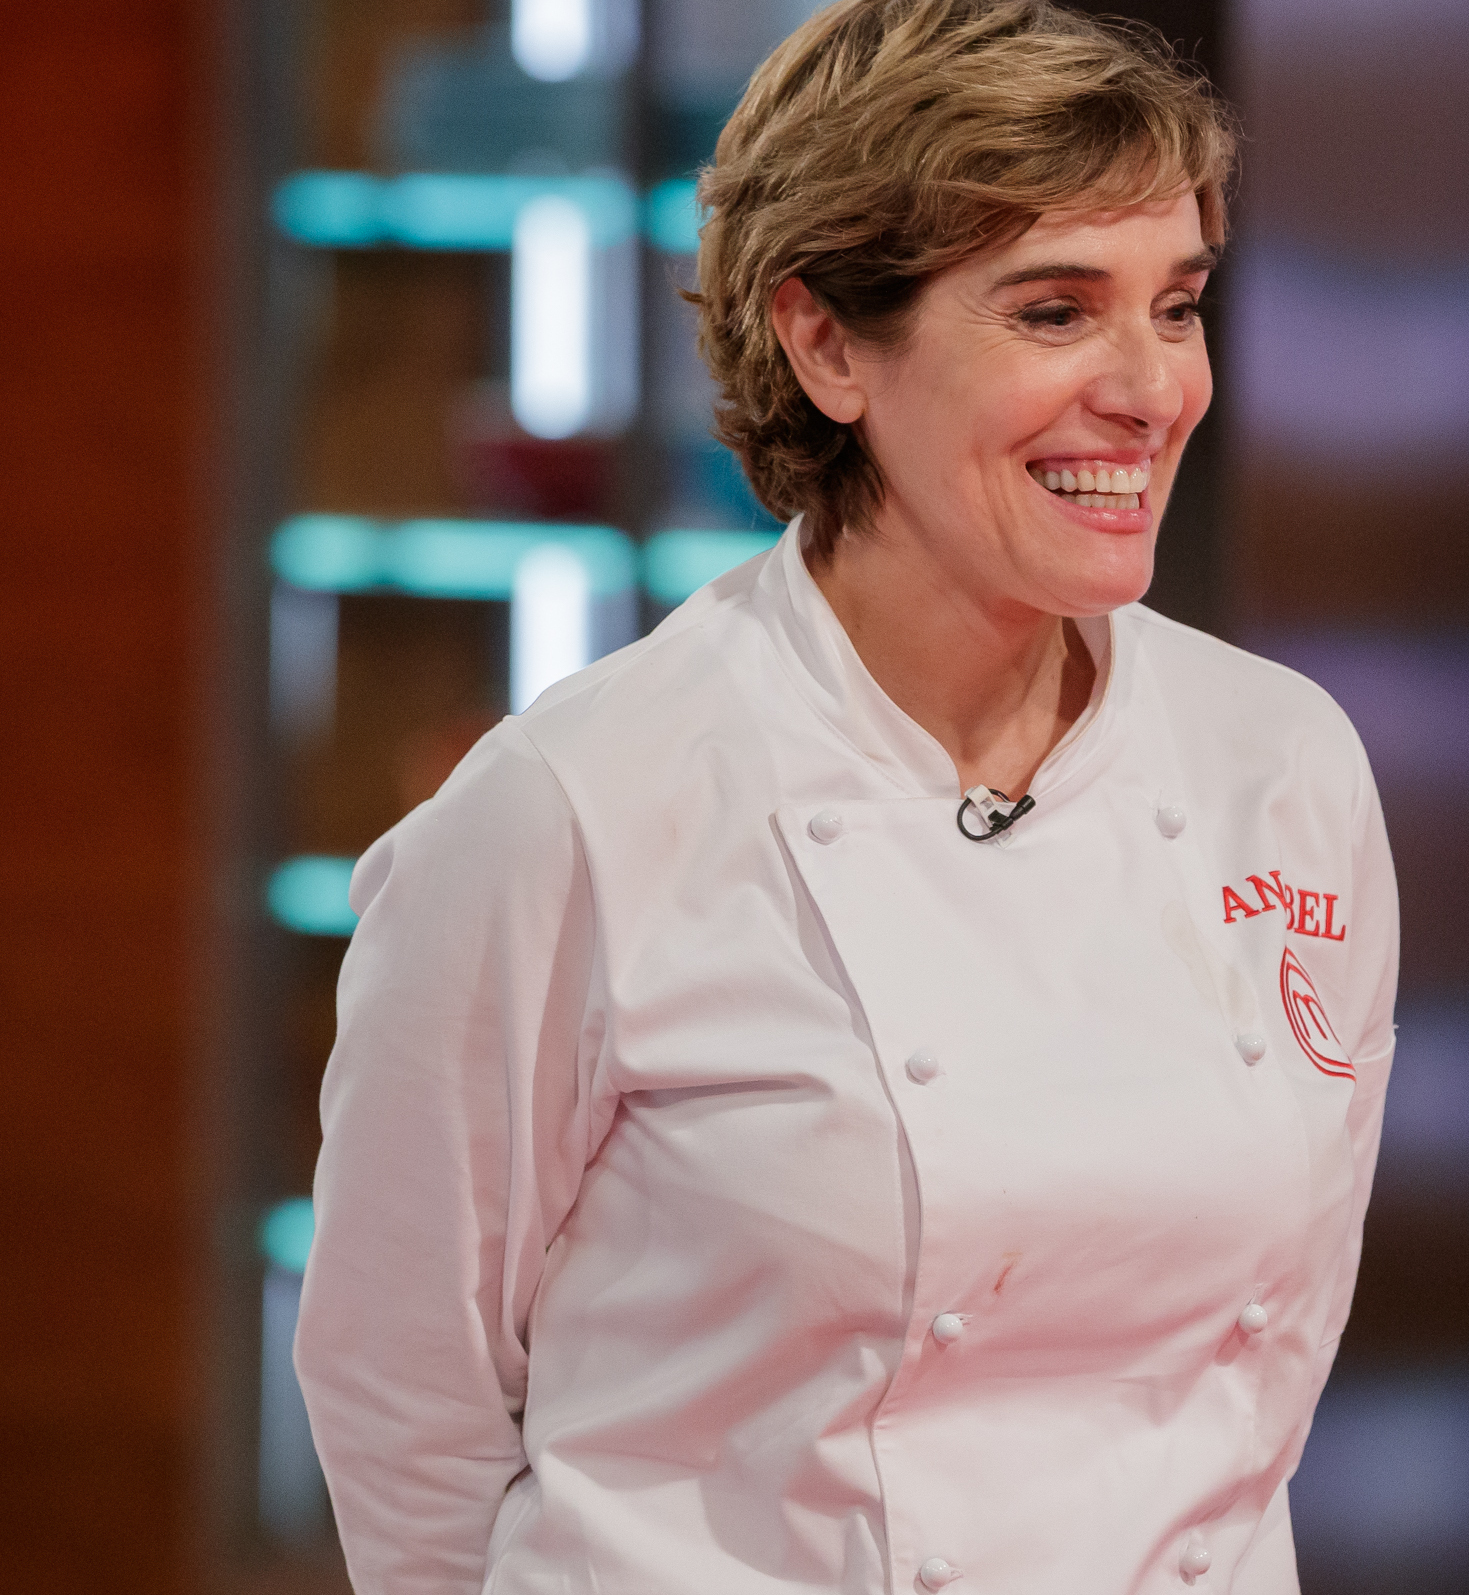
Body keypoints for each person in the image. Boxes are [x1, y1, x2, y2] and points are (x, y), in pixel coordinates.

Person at [293, 2, 1398, 1590]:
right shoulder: (573, 808)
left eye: (1177, 305)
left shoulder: (1281, 764)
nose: (1153, 388)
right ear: (825, 345)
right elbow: (404, 1405)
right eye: (1055, 311)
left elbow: (1269, 1374)